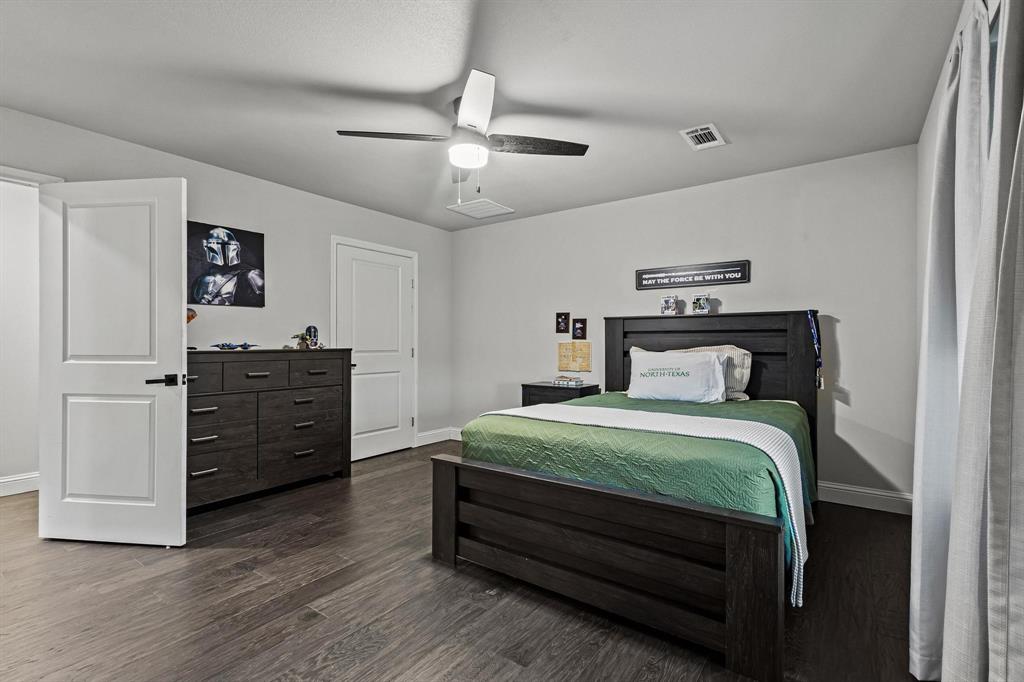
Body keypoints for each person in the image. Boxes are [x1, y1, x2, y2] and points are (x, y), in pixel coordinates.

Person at [191, 227, 265, 306]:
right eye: (220, 246)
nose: (223, 251)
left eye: (226, 246)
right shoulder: (200, 282)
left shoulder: (252, 277)